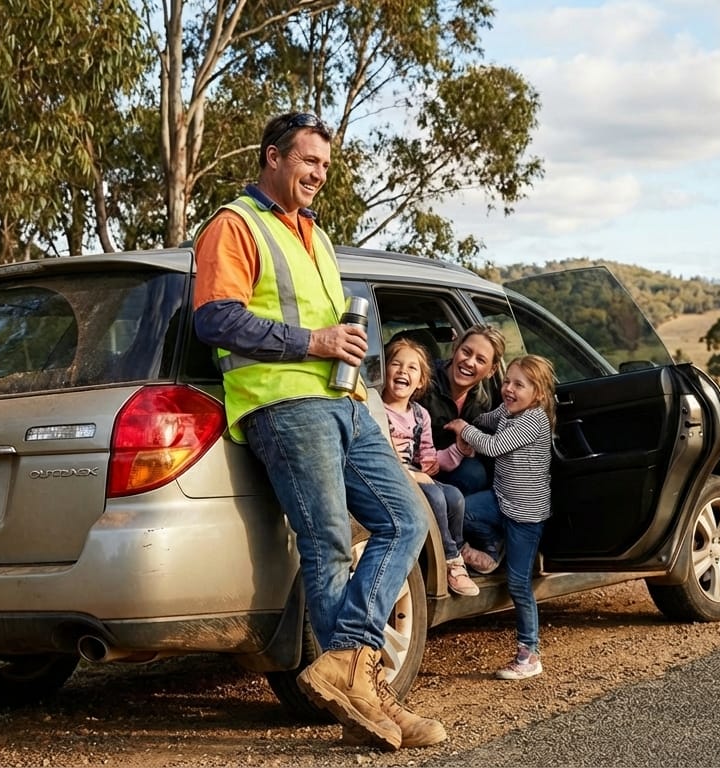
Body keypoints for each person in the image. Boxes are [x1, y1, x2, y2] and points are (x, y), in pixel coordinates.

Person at [192, 111, 443, 751]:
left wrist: (350, 355)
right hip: (284, 405)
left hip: (347, 402)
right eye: (309, 161)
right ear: (273, 157)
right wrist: (315, 340)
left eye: (326, 165)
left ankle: (346, 667)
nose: (319, 175)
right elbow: (216, 320)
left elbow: (334, 329)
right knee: (329, 543)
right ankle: (367, 698)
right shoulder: (233, 225)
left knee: (407, 520)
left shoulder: (318, 236)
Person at [444, 354, 557, 681]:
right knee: (460, 509)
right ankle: (492, 549)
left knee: (519, 584)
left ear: (537, 394)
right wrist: (462, 420)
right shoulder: (509, 411)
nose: (508, 389)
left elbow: (493, 446)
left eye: (518, 385)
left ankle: (529, 652)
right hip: (501, 499)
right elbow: (488, 421)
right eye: (507, 381)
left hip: (525, 515)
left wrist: (465, 429)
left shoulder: (533, 421)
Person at [380, 336, 480, 597]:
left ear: (421, 381)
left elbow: (430, 460)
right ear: (383, 369)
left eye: (412, 368)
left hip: (416, 475)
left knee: (454, 496)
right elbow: (380, 455)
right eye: (396, 364)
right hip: (390, 475)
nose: (403, 371)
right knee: (435, 495)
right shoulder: (377, 408)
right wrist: (415, 474)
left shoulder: (419, 414)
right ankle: (449, 558)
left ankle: (456, 554)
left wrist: (458, 449)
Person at [418, 324, 507, 497]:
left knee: (478, 473)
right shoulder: (424, 382)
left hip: (449, 465)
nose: (469, 362)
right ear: (455, 349)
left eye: (480, 360)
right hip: (417, 465)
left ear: (492, 370)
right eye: (466, 352)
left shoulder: (483, 400)